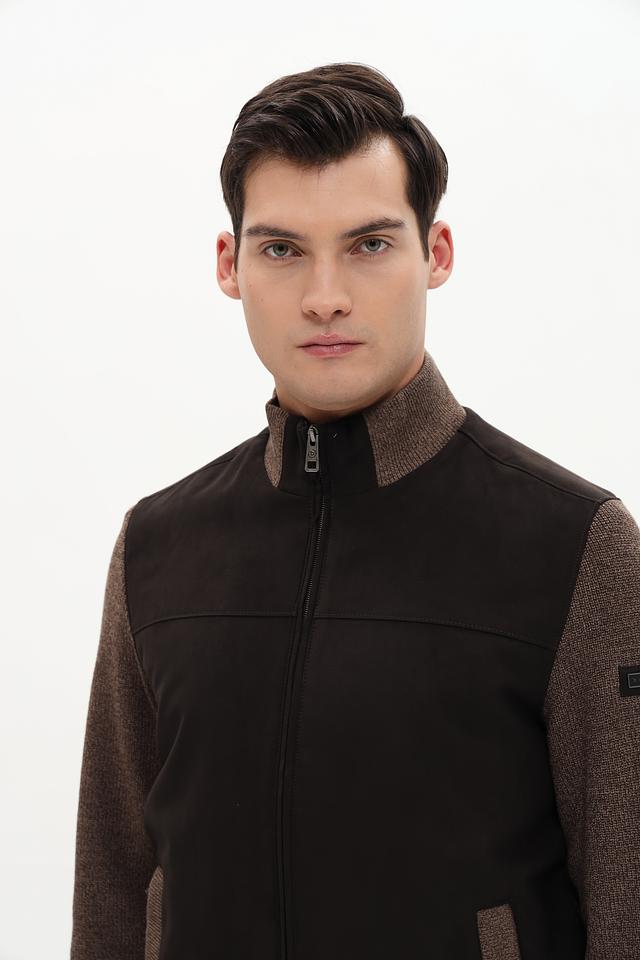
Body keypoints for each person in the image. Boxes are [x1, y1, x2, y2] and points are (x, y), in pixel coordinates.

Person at [69, 61, 640, 960]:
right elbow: (112, 883)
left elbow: (628, 898)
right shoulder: (156, 548)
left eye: (369, 245)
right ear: (229, 265)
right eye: (282, 249)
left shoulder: (575, 545)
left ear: (435, 253)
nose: (325, 295)